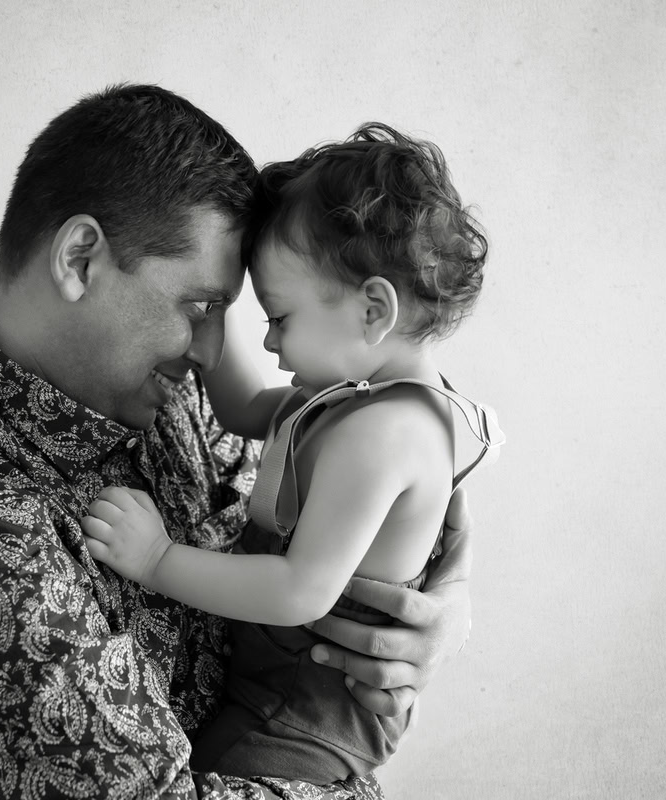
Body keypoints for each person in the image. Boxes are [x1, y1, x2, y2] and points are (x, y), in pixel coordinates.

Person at [0, 85, 475, 799]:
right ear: (81, 259)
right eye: (201, 307)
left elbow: (382, 442)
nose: (217, 354)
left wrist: (440, 599)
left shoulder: (158, 382)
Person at [81, 122, 503, 784]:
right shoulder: (356, 398)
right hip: (278, 688)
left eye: (280, 317)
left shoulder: (384, 433)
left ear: (372, 311)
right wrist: (204, 316)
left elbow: (301, 589)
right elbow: (246, 406)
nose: (272, 342)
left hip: (302, 714)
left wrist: (158, 560)